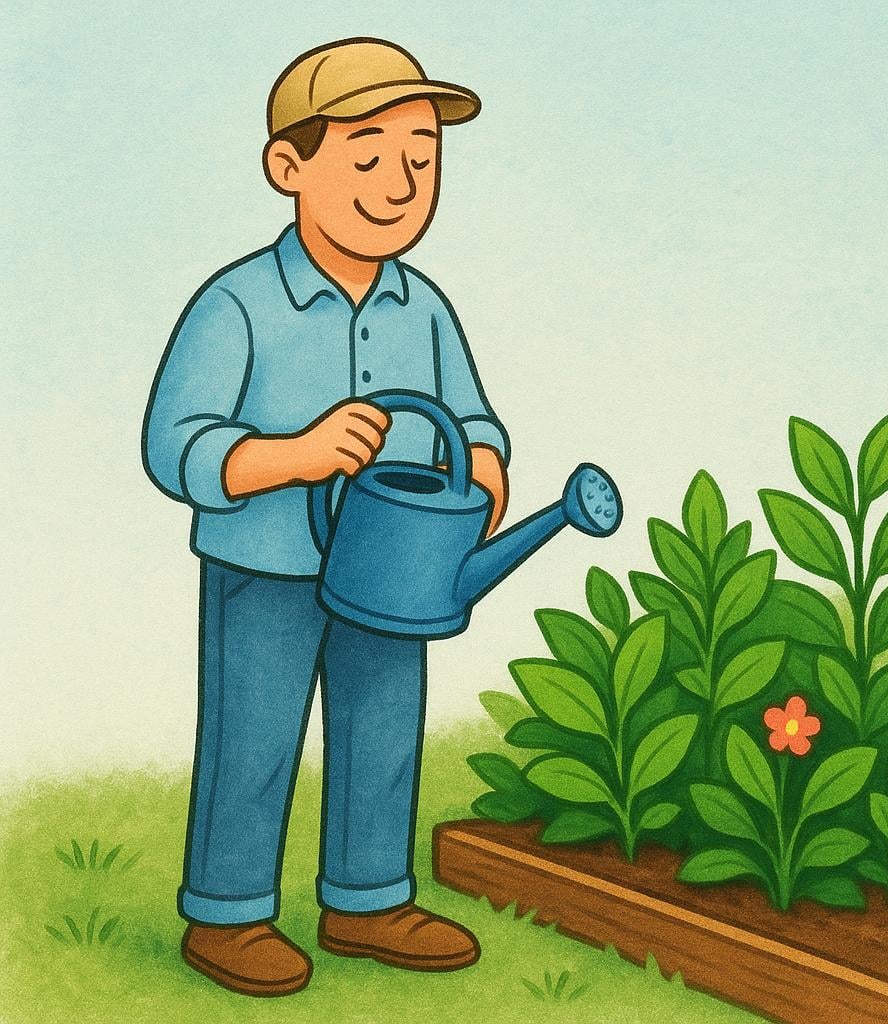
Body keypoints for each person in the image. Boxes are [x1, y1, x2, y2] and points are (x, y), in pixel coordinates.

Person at [141, 37, 510, 997]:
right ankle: (226, 913)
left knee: (386, 725)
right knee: (253, 732)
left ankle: (368, 898)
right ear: (289, 166)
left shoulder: (422, 306)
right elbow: (173, 445)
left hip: (394, 567)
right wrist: (294, 456)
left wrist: (482, 462)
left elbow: (468, 411)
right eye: (368, 154)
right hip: (265, 562)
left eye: (422, 159)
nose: (400, 183)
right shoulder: (238, 305)